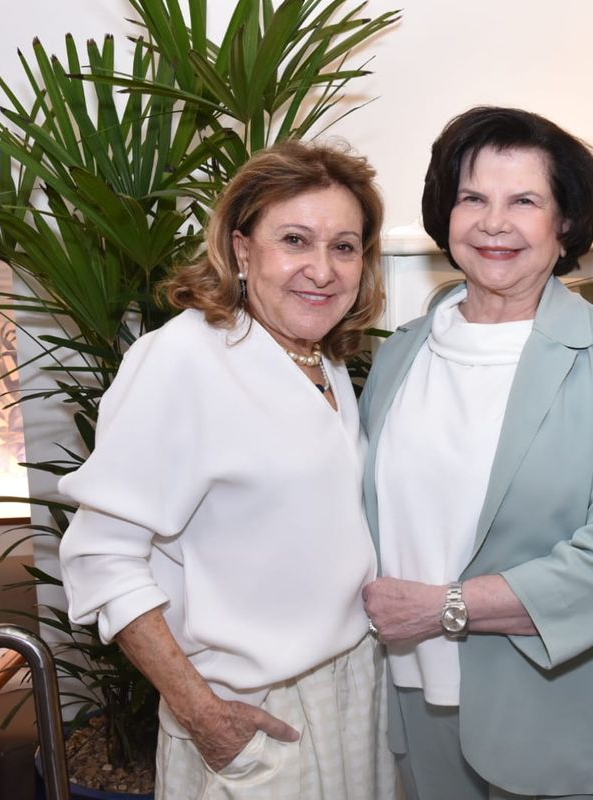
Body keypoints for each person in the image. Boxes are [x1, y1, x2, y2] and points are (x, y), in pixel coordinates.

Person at [59, 141, 395, 799]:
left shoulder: (321, 361)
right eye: (295, 240)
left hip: (355, 690)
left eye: (344, 247)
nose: (322, 270)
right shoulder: (183, 359)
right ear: (242, 249)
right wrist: (204, 717)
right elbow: (102, 559)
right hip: (253, 713)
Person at [360, 106, 593, 799]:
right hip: (417, 710)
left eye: (524, 201)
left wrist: (444, 608)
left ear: (564, 225)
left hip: (554, 721)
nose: (493, 223)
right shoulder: (402, 354)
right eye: (473, 198)